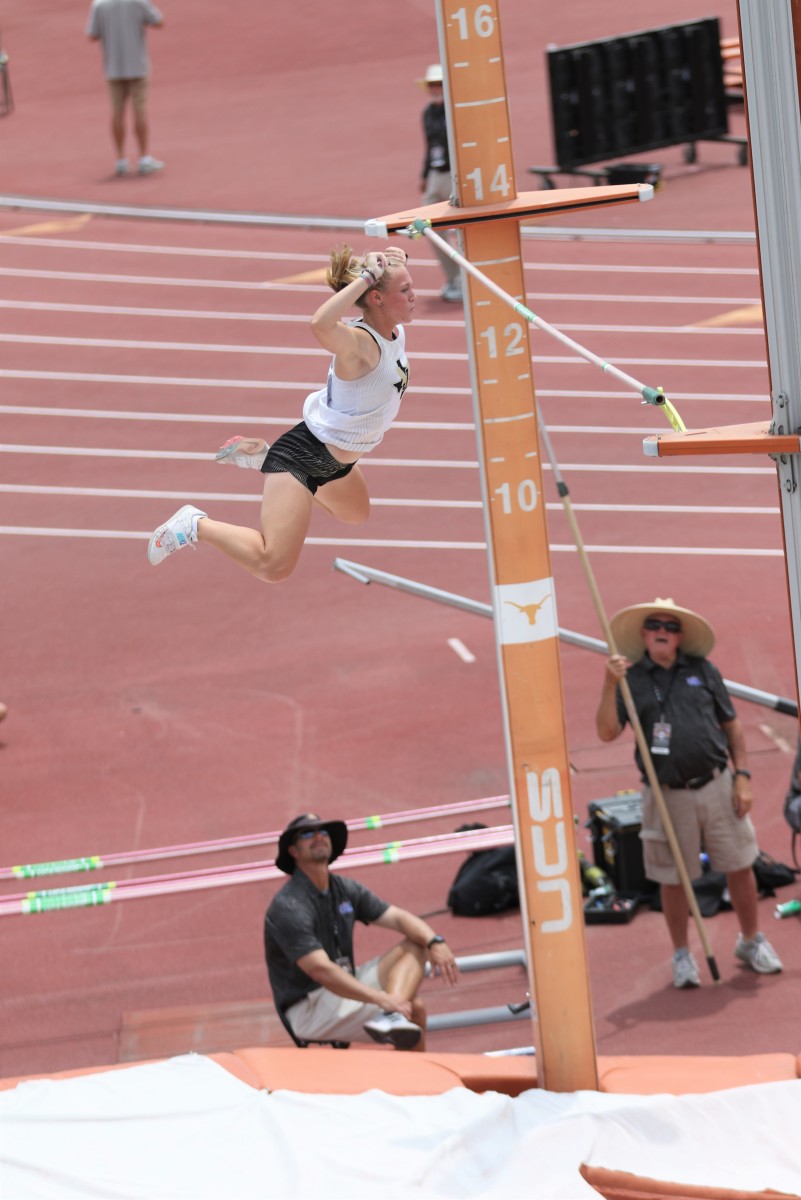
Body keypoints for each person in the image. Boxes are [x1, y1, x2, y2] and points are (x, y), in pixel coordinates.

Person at [147, 244, 414, 582]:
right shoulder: (358, 345)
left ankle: (261, 458)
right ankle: (195, 525)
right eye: (405, 290)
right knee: (273, 565)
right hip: (303, 455)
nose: (415, 296)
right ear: (376, 298)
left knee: (356, 514)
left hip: (338, 460)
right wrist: (367, 277)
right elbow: (320, 323)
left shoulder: (393, 332)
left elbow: (384, 295)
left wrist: (397, 265)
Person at [596, 597, 783, 989]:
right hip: (666, 794)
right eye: (654, 624)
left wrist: (743, 776)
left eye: (671, 626)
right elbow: (606, 732)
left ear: (680, 637)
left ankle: (750, 941)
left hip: (716, 784)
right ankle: (682, 954)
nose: (662, 631)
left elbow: (731, 725)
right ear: (644, 633)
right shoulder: (629, 680)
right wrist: (609, 683)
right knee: (673, 876)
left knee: (741, 863)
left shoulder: (702, 670)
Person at [264, 814, 459, 1050]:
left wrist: (435, 940)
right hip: (309, 1007)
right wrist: (381, 998)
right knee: (414, 1010)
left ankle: (391, 1018)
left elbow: (398, 918)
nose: (318, 836)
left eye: (323, 832)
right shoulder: (289, 906)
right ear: (293, 851)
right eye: (307, 833)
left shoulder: (344, 889)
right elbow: (321, 971)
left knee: (417, 944)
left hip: (341, 984)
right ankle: (393, 1021)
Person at [86, 0, 164, 177]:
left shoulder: (100, 4)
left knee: (117, 113)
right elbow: (159, 21)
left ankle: (121, 160)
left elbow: (92, 35)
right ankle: (143, 157)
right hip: (138, 66)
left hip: (113, 67)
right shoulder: (137, 1)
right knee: (140, 111)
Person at [417, 64, 462, 303]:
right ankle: (454, 277)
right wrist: (424, 176)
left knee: (465, 229)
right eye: (432, 85)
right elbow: (429, 146)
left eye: (440, 85)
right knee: (430, 228)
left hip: (455, 174)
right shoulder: (427, 113)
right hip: (436, 175)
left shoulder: (456, 112)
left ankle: (467, 280)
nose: (435, 89)